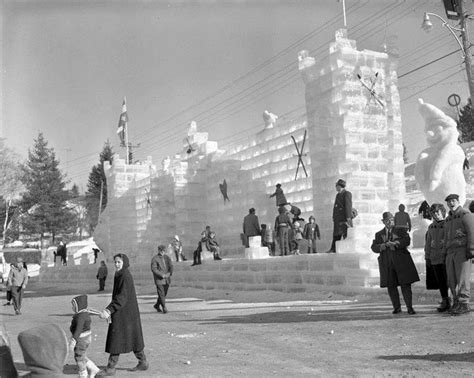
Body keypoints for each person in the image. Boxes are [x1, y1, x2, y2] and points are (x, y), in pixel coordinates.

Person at [98, 254, 148, 375]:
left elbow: (122, 297)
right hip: (126, 313)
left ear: (124, 263)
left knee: (116, 339)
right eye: (115, 262)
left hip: (124, 313)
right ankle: (143, 362)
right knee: (133, 338)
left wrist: (109, 310)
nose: (116, 264)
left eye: (119, 262)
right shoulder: (120, 274)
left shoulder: (125, 276)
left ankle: (110, 368)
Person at [371, 212, 420, 315]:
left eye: (391, 220)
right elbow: (374, 247)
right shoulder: (379, 234)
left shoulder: (401, 230)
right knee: (391, 286)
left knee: (405, 285)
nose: (390, 222)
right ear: (383, 222)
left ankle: (409, 307)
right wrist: (383, 246)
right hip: (387, 264)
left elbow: (407, 240)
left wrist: (396, 243)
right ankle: (397, 308)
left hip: (401, 263)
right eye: (387, 220)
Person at [443, 193, 474, 315]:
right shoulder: (448, 219)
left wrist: (471, 248)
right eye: (449, 201)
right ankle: (456, 302)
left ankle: (464, 303)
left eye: (453, 201)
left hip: (462, 250)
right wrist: (444, 251)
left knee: (462, 278)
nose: (451, 203)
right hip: (450, 251)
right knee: (452, 279)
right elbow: (445, 237)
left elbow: (472, 232)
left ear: (458, 201)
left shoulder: (465, 215)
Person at [424, 203, 450, 312]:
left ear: (442, 212)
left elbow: (449, 240)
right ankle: (445, 300)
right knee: (440, 281)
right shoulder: (431, 227)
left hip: (445, 258)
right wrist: (427, 257)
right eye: (433, 213)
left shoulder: (448, 224)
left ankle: (455, 300)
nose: (435, 215)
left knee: (449, 280)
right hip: (434, 258)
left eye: (437, 212)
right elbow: (428, 243)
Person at [69, 294, 100, 377]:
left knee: (78, 357)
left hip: (81, 339)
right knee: (82, 355)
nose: (72, 308)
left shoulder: (80, 317)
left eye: (74, 306)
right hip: (86, 337)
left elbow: (78, 329)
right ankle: (93, 368)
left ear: (79, 306)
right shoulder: (84, 313)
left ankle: (83, 373)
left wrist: (73, 341)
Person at [327, 179, 353, 253]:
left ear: (340, 186)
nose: (336, 187)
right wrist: (334, 216)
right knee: (336, 235)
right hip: (338, 219)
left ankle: (347, 250)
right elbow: (336, 207)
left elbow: (348, 206)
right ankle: (333, 249)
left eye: (336, 186)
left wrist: (348, 217)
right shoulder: (338, 195)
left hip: (344, 218)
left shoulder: (347, 193)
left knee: (346, 234)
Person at [151, 244, 173, 314]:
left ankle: (157, 305)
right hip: (159, 280)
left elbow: (171, 266)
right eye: (161, 251)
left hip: (167, 279)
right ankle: (164, 307)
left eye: (164, 251)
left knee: (164, 293)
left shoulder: (167, 257)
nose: (163, 252)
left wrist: (169, 273)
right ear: (159, 250)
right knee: (161, 293)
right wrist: (162, 275)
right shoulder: (155, 258)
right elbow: (154, 269)